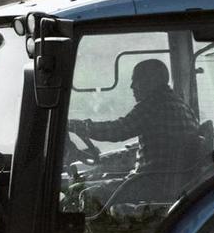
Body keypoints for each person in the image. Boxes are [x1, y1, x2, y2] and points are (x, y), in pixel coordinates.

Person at [68, 58, 205, 204]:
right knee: (89, 180)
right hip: (165, 180)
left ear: (152, 81)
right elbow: (152, 144)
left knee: (80, 193)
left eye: (136, 80)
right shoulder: (179, 105)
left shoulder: (154, 105)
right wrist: (105, 159)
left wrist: (82, 126)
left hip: (153, 184)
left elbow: (119, 129)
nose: (132, 86)